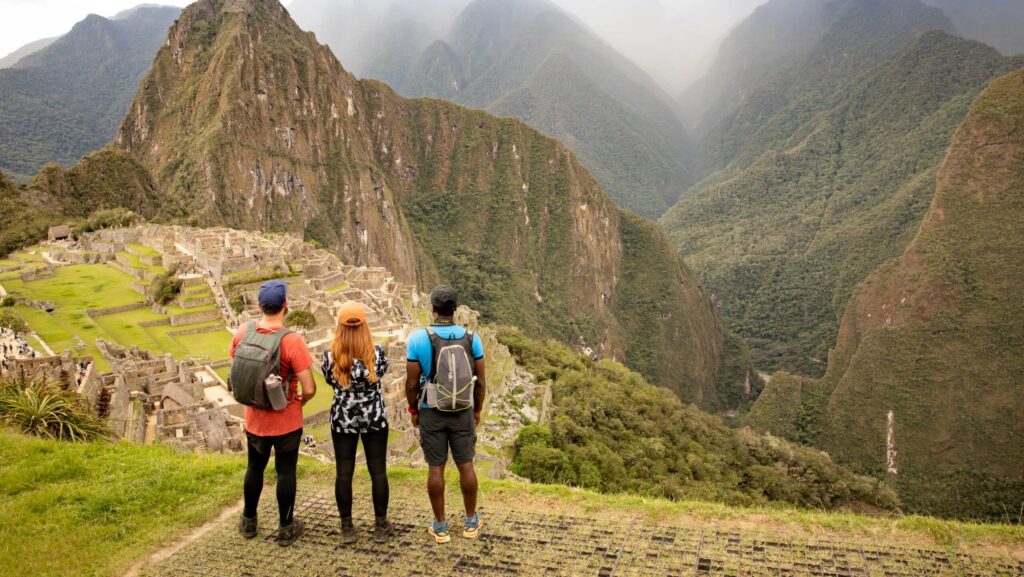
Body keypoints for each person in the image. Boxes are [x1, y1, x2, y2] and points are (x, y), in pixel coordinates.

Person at [229, 280, 316, 547]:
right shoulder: (292, 340)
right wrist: (299, 402)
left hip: (254, 419)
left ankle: (248, 521)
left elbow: (238, 371)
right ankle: (286, 526)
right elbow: (309, 387)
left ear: (259, 306)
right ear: (285, 306)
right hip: (286, 420)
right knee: (286, 472)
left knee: (254, 467)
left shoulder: (243, 331)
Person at [405, 285, 486, 544]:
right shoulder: (472, 338)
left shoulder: (418, 339)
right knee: (466, 465)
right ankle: (471, 522)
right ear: (455, 310)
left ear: (433, 308)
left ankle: (440, 526)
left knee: (436, 468)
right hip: (462, 410)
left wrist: (413, 409)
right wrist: (477, 409)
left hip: (432, 410)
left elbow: (411, 383)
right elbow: (481, 380)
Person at [320, 301, 392, 545]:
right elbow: (381, 373)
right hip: (374, 416)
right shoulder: (377, 354)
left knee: (344, 472)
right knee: (378, 471)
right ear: (365, 327)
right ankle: (381, 526)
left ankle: (347, 527)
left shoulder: (330, 357)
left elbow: (331, 381)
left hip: (343, 418)